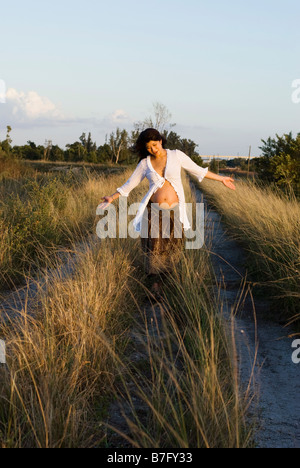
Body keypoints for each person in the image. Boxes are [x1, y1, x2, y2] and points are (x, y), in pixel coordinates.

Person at [98, 128, 235, 298]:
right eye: (148, 148)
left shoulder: (176, 155)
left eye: (155, 145)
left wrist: (222, 179)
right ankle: (155, 287)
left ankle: (168, 283)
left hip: (175, 212)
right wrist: (111, 197)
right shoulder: (144, 164)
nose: (153, 150)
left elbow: (199, 170)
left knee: (173, 248)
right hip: (154, 211)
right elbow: (129, 185)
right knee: (154, 248)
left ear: (160, 141)